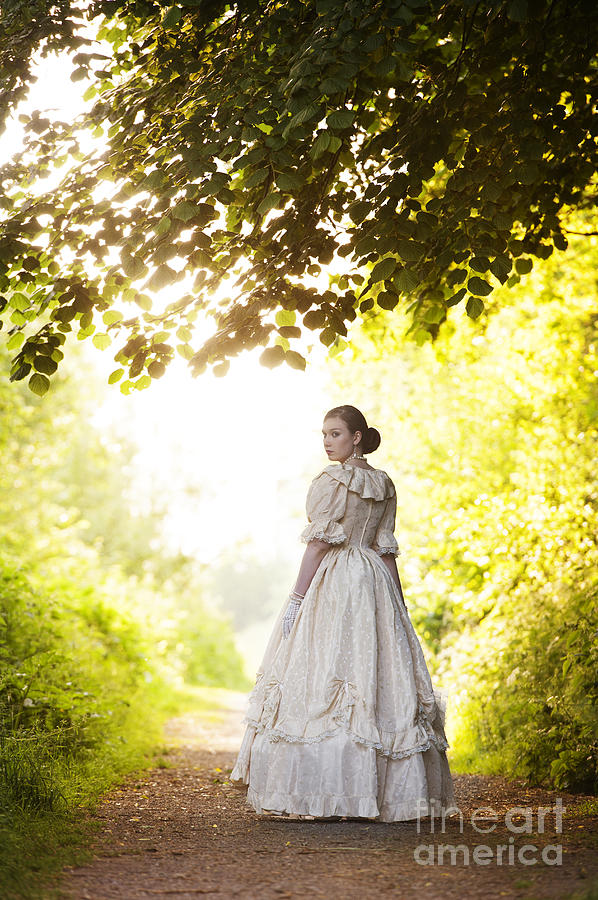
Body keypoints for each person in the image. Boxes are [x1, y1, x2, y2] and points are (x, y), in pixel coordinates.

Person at [229, 404, 456, 822]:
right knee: (371, 673)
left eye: (335, 433)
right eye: (324, 434)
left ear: (356, 437)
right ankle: (373, 794)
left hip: (336, 583)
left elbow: (318, 546)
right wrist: (398, 606)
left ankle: (329, 793)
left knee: (326, 671)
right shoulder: (384, 483)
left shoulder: (329, 481)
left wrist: (297, 599)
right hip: (373, 584)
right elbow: (384, 553)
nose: (327, 442)